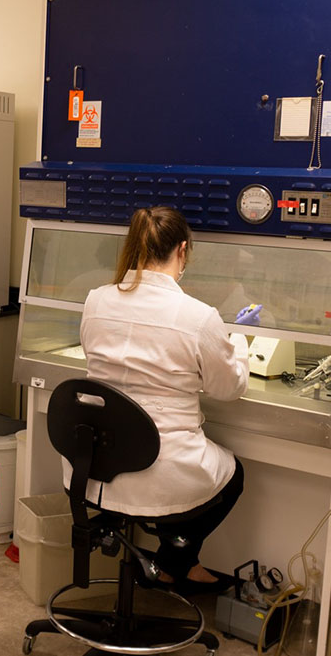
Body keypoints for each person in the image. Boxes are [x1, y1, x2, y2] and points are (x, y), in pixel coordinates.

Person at [78, 205, 255, 593]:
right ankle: (173, 559)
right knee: (234, 475)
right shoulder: (198, 316)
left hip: (94, 466)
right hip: (162, 470)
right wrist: (239, 346)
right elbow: (227, 389)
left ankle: (175, 563)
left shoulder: (96, 300)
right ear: (183, 250)